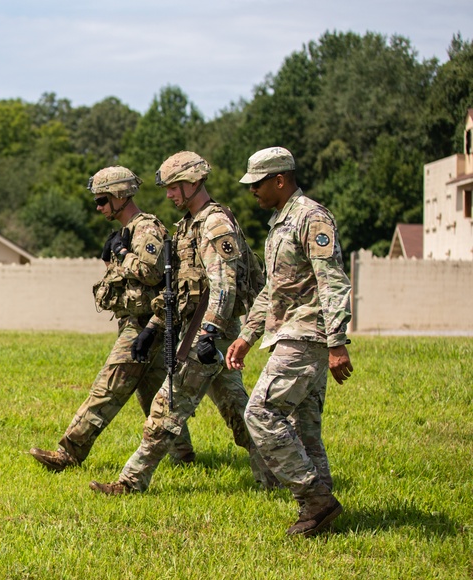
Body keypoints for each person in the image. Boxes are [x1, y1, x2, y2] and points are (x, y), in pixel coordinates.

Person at [89, 152, 277, 495]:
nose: (169, 195)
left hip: (208, 333)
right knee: (238, 411)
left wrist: (208, 334)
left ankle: (131, 482)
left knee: (166, 407)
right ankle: (276, 477)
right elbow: (183, 290)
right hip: (206, 330)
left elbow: (223, 286)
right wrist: (153, 328)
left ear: (193, 183)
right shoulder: (190, 226)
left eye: (174, 187)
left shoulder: (214, 224)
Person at [29, 166, 194, 473]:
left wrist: (122, 252)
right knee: (155, 393)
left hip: (146, 324)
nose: (98, 207)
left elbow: (152, 273)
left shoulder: (146, 231)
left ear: (120, 196)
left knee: (107, 387)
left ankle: (69, 453)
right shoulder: (128, 231)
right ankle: (183, 454)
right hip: (140, 322)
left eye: (103, 200)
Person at [226, 147, 353, 537]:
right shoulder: (280, 223)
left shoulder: (312, 218)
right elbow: (273, 289)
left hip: (306, 336)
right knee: (305, 428)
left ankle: (314, 498)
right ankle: (322, 515)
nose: (252, 192)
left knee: (260, 413)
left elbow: (333, 281)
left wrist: (337, 342)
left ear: (280, 179)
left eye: (258, 183)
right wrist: (248, 334)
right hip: (288, 332)